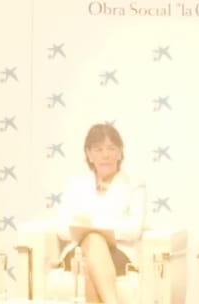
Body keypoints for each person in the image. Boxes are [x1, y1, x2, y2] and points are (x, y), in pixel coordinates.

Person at [59, 123, 146, 303]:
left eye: (111, 149)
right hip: (76, 250)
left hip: (118, 252)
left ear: (120, 153)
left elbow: (134, 228)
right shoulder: (76, 184)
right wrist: (97, 230)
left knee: (90, 258)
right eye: (98, 150)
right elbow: (61, 226)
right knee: (92, 243)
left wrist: (92, 225)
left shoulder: (134, 185)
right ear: (89, 155)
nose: (105, 155)